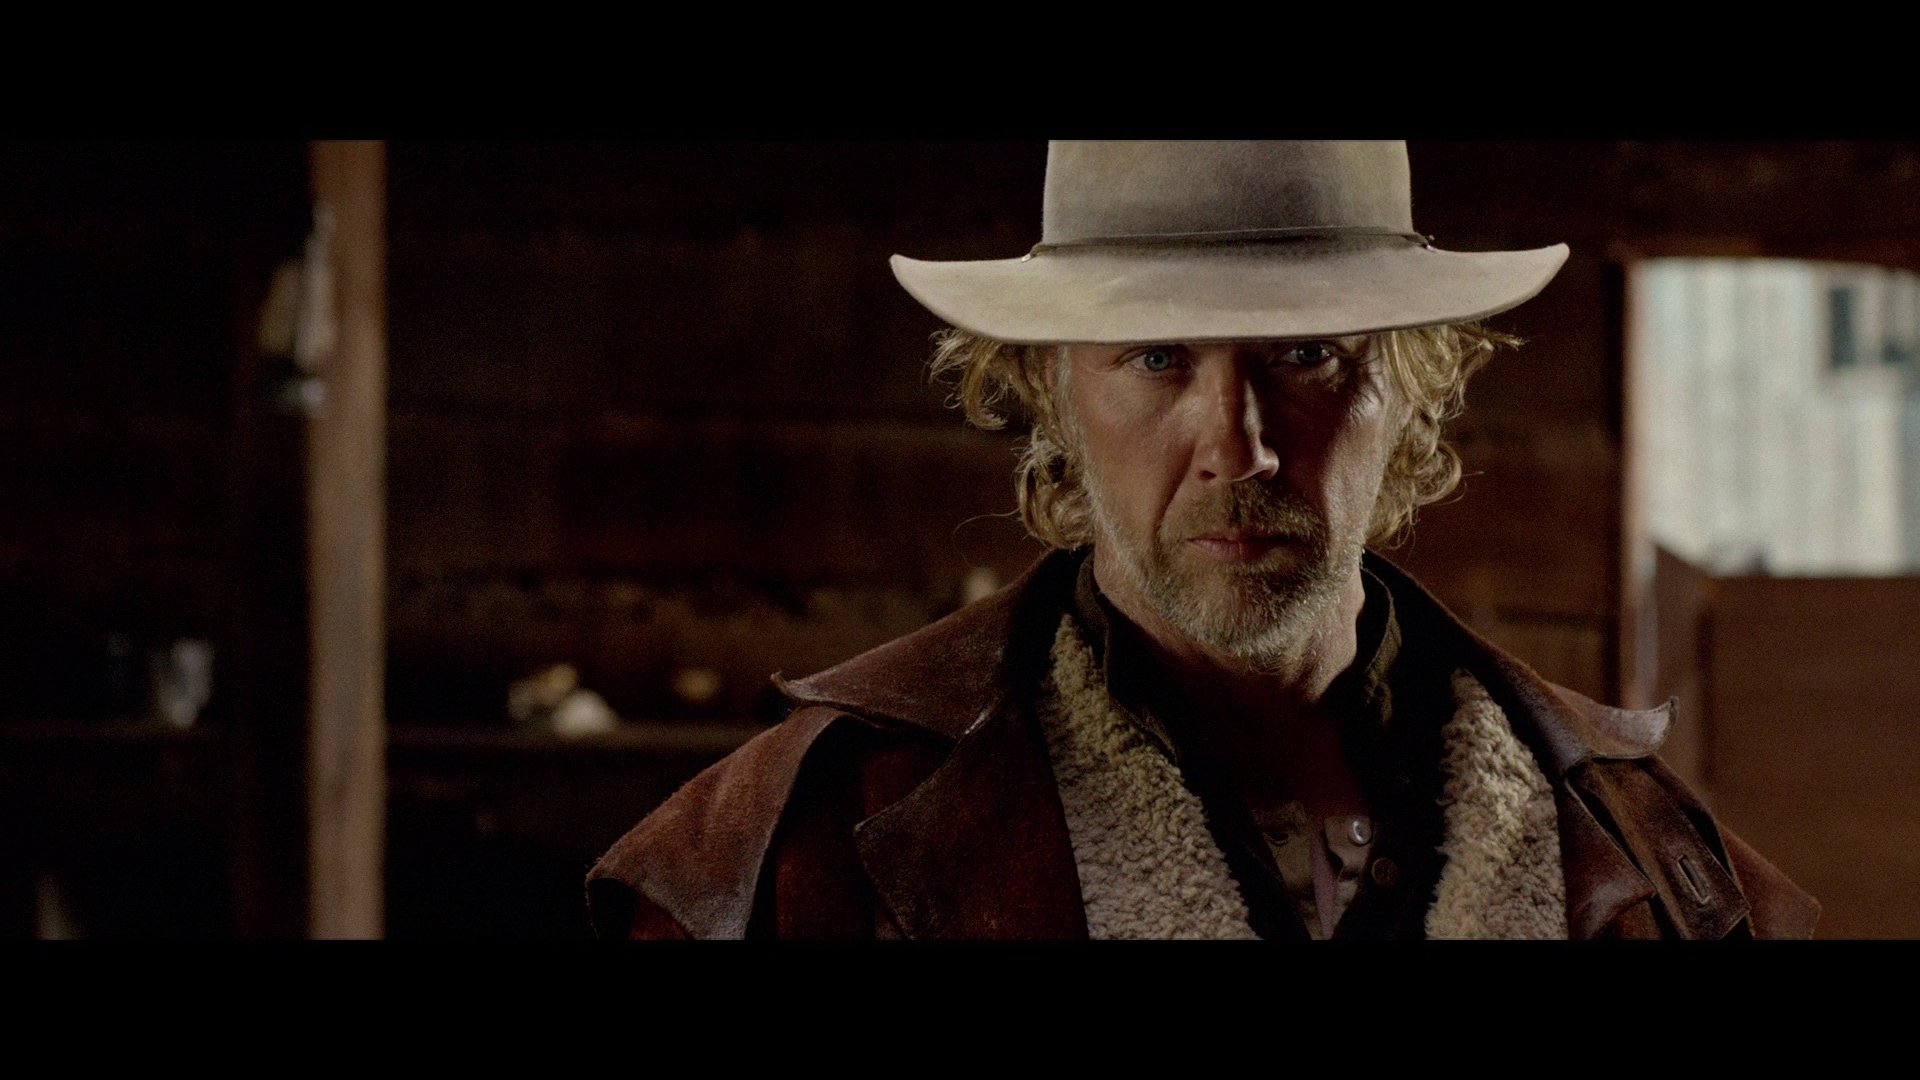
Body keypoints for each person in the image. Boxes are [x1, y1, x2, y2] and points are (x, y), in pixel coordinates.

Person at [586, 141, 1819, 940]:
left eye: (1307, 355)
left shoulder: (1646, 859)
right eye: (1158, 358)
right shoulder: (797, 851)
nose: (1239, 446)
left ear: (1414, 386)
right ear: (1055, 395)